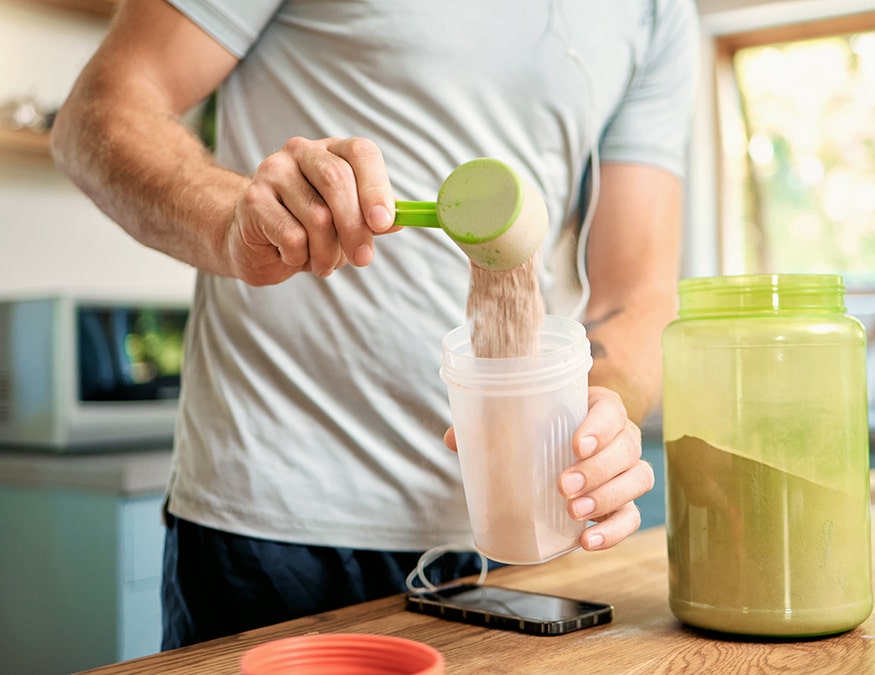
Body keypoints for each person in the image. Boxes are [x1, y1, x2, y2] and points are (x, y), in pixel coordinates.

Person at [51, 0, 699, 649]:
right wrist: (233, 220)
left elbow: (638, 290)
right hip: (274, 529)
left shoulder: (657, 12)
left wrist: (596, 415)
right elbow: (96, 114)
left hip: (512, 544)